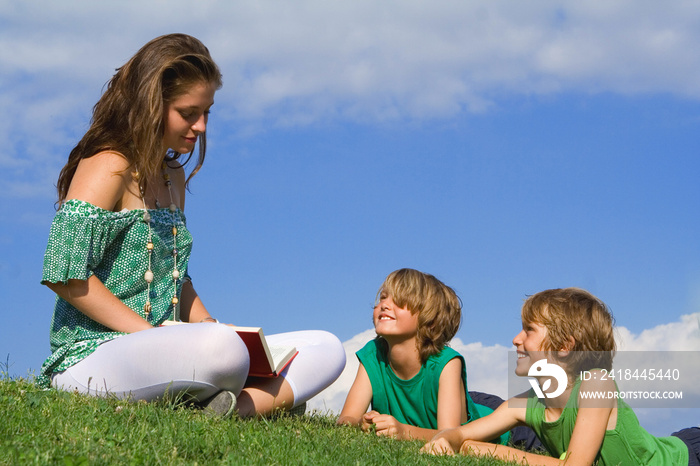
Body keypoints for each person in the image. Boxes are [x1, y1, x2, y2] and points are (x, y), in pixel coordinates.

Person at [38, 33, 345, 418]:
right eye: (188, 113)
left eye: (207, 112)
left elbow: (176, 278)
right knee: (222, 351)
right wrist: (158, 336)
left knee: (327, 348)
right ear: (151, 105)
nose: (200, 126)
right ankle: (251, 396)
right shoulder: (107, 164)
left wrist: (207, 324)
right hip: (92, 355)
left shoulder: (172, 178)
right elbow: (64, 275)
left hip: (166, 349)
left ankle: (231, 409)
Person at [422, 288, 700, 465]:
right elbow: (459, 434)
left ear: (564, 347)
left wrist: (484, 450)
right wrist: (448, 441)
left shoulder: (596, 384)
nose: (516, 339)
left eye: (529, 330)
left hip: (688, 455)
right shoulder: (527, 404)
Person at [337, 268, 510, 444]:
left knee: (534, 417)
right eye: (383, 297)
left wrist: (404, 432)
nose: (385, 304)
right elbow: (346, 419)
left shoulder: (447, 363)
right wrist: (362, 423)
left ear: (430, 320)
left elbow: (449, 436)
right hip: (453, 399)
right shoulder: (373, 354)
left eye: (399, 300)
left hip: (502, 421)